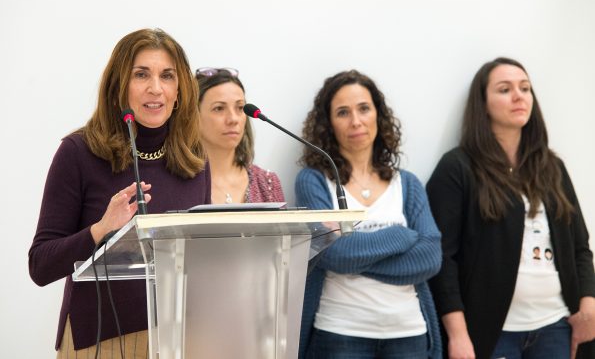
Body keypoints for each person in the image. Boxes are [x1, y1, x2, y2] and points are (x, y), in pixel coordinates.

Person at [28, 28, 211, 358]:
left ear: (180, 90)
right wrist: (101, 230)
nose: (156, 88)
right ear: (118, 87)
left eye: (167, 76)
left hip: (181, 338)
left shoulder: (195, 160)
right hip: (102, 341)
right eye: (141, 74)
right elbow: (40, 266)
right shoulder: (78, 153)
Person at [426, 57, 595, 359]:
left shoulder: (551, 166)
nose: (519, 96)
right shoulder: (458, 168)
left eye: (525, 88)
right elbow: (442, 259)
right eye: (505, 89)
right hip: (491, 333)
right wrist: (457, 334)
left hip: (556, 326)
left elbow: (580, 247)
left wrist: (589, 307)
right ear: (483, 104)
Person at [295, 69, 442, 359]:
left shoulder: (407, 184)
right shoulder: (314, 181)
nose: (356, 121)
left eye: (364, 108)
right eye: (342, 112)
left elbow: (430, 258)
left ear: (378, 114)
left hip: (408, 333)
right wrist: (402, 236)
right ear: (329, 124)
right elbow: (331, 255)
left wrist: (351, 250)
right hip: (340, 333)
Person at [196, 67, 284, 204]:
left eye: (240, 108)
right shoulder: (178, 183)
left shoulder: (268, 183)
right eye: (219, 108)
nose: (233, 119)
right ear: (193, 117)